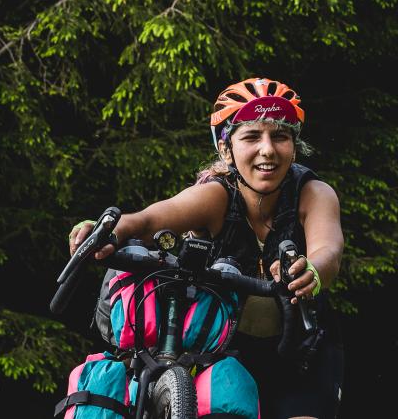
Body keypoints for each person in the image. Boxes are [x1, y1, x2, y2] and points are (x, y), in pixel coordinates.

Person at [69, 77, 345, 419]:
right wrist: (109, 229)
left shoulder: (313, 192)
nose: (268, 149)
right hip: (224, 354)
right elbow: (149, 219)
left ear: (294, 144)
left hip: (303, 352)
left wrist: (312, 270)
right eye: (251, 136)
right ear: (226, 149)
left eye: (280, 136)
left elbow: (328, 250)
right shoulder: (215, 196)